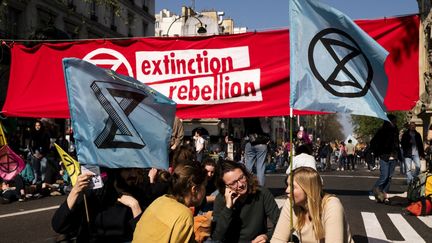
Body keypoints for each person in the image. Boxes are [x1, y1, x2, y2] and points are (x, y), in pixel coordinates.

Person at [52, 168, 148, 242]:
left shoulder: (140, 194)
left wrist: (135, 207)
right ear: (116, 172)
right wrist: (75, 191)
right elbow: (59, 225)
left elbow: (146, 237)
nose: (134, 174)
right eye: (127, 170)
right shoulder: (93, 194)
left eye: (135, 169)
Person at [271, 167, 353, 243]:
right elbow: (277, 239)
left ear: (308, 189)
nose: (287, 190)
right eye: (287, 185)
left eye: (292, 186)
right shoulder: (291, 203)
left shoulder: (332, 205)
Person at [133, 161, 207, 242]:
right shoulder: (184, 215)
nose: (205, 191)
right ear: (194, 190)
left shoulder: (160, 200)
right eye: (204, 186)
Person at [211, 160, 280, 242]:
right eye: (233, 183)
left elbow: (281, 223)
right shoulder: (221, 199)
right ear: (225, 186)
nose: (240, 184)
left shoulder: (261, 193)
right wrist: (228, 208)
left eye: (241, 177)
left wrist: (267, 236)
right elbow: (216, 236)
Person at [369, 114, 401, 203]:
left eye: (395, 121)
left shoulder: (396, 130)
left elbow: (397, 143)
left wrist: (399, 155)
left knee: (389, 177)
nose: (395, 123)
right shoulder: (382, 131)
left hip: (393, 156)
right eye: (394, 121)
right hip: (384, 156)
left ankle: (384, 194)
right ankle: (374, 191)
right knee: (384, 176)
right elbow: (373, 142)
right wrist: (379, 151)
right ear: (389, 122)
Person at [244, 118, 271, 186]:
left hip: (249, 142)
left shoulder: (246, 118)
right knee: (260, 166)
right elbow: (266, 130)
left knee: (248, 165)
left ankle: (246, 184)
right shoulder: (260, 118)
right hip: (261, 143)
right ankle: (260, 187)